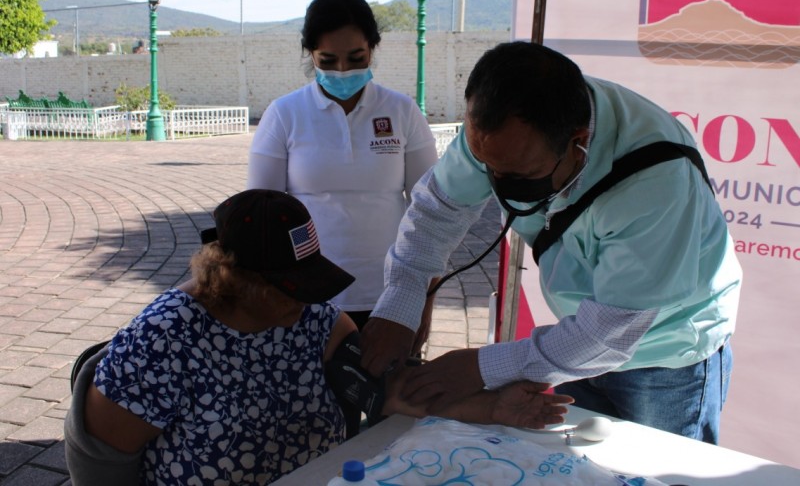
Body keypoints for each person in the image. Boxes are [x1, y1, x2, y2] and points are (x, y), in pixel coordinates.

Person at [361, 41, 742, 445]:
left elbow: (609, 330)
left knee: (660, 472)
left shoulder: (656, 181)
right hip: (579, 338)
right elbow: (439, 209)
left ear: (578, 141)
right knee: (580, 466)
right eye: (486, 167)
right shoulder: (503, 128)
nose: (498, 185)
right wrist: (403, 300)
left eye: (520, 175)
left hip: (667, 358)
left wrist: (480, 368)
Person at [64, 189, 573, 486]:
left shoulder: (318, 325)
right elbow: (101, 463)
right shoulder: (162, 341)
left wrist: (491, 408)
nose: (306, 302)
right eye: (289, 290)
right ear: (234, 279)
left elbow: (389, 394)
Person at [247, 0, 439, 334]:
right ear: (310, 53)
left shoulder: (401, 111)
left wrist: (424, 297)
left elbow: (432, 212)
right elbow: (262, 216)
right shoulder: (284, 114)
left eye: (356, 58)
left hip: (389, 295)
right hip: (304, 298)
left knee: (387, 387)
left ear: (373, 48)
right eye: (328, 59)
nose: (342, 70)